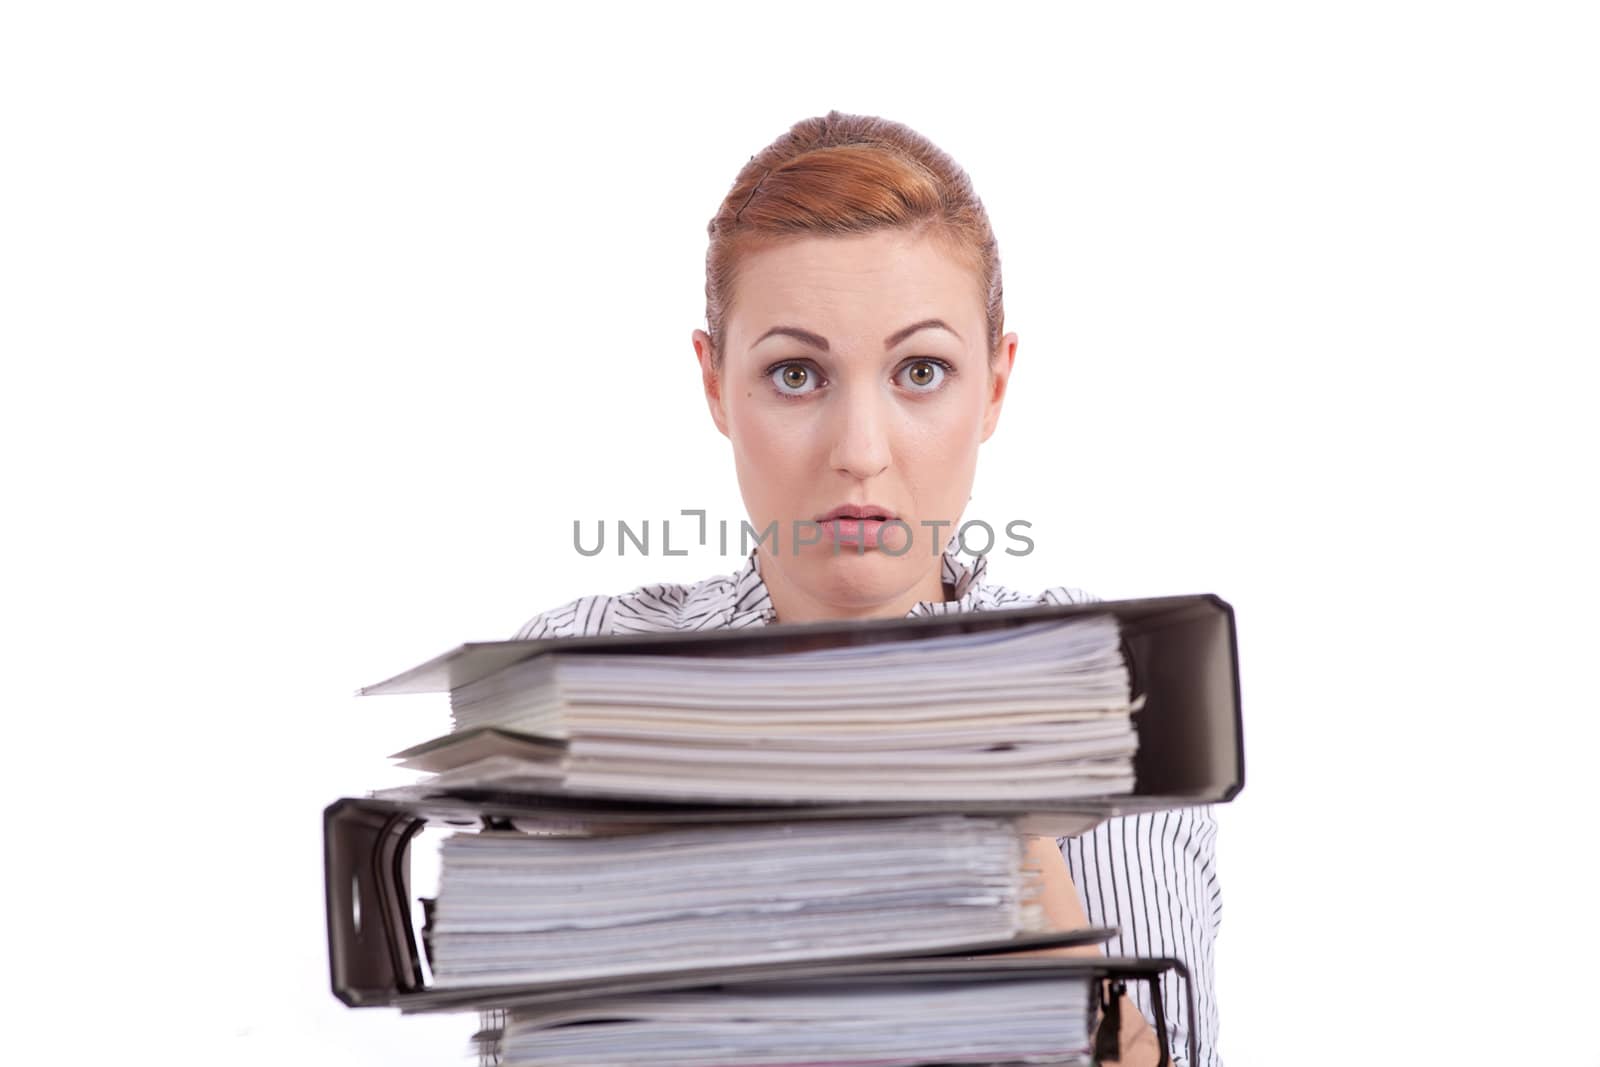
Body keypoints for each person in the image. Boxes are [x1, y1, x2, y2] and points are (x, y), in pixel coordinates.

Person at [509, 110, 1222, 1067]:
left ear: (996, 387)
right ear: (716, 383)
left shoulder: (1118, 699)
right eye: (796, 374)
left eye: (920, 371)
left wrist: (1005, 820)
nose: (860, 454)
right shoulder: (581, 677)